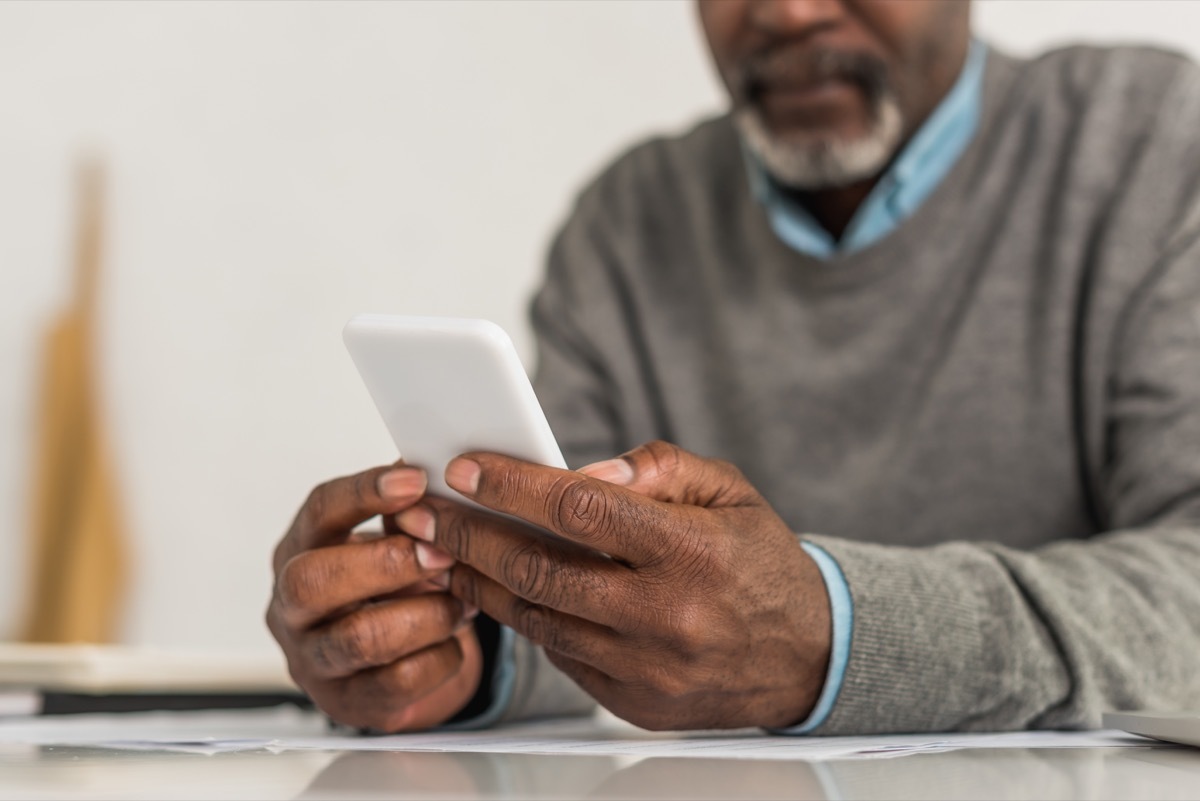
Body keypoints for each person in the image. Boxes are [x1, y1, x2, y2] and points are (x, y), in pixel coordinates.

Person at [266, 0, 1200, 735]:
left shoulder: (1154, 146)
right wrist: (454, 653)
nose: (789, 12)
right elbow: (587, 587)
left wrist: (831, 634)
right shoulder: (629, 225)